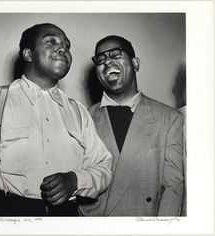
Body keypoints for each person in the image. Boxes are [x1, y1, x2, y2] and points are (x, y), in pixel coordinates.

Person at [0, 23, 112, 217]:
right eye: (51, 41)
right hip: (2, 216)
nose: (63, 48)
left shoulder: (79, 111)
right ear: (28, 55)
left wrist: (75, 180)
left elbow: (103, 167)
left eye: (67, 45)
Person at [79, 35, 184, 216]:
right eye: (100, 59)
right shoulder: (82, 118)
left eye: (116, 54)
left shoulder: (170, 118)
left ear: (135, 64)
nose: (107, 62)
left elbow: (173, 187)